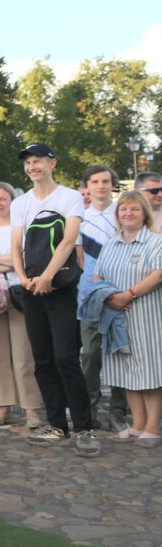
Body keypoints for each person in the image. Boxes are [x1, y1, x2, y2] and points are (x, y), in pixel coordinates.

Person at [11, 143, 98, 456]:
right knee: (43, 359)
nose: (33, 167)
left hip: (59, 287)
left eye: (38, 161)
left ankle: (85, 428)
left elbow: (69, 240)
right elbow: (16, 244)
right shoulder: (20, 202)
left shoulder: (69, 197)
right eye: (29, 163)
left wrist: (47, 276)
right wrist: (23, 278)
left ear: (52, 163)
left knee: (66, 356)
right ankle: (57, 424)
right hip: (32, 289)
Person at [0, 182, 45, 429]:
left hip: (19, 294)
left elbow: (26, 260)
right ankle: (2, 406)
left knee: (24, 355)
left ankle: (30, 408)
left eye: (3, 199)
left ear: (12, 201)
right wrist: (10, 262)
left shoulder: (22, 228)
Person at [94, 191, 162, 446]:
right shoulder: (111, 244)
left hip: (146, 315)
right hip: (115, 316)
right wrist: (108, 296)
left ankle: (153, 426)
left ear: (144, 213)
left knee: (149, 370)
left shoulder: (156, 242)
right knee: (126, 370)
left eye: (134, 209)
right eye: (123, 209)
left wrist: (129, 294)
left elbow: (157, 275)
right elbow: (98, 275)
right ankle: (137, 424)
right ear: (118, 214)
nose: (128, 213)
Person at [78, 164, 128, 431]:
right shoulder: (79, 217)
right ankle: (90, 408)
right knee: (90, 354)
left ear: (112, 184)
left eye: (105, 181)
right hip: (89, 296)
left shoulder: (123, 213)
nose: (100, 186)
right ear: (87, 186)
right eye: (95, 181)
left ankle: (119, 409)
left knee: (120, 352)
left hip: (121, 294)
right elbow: (78, 257)